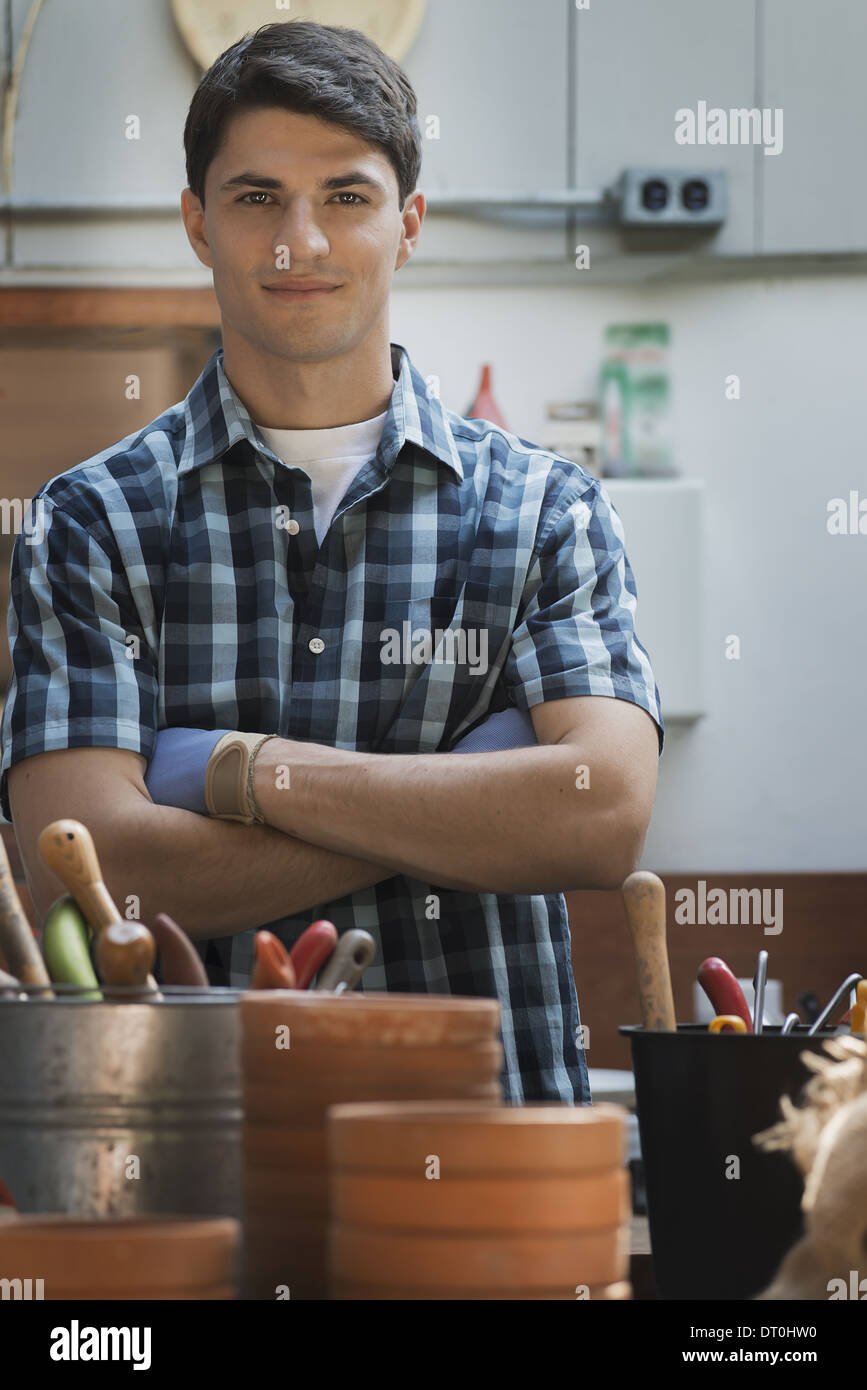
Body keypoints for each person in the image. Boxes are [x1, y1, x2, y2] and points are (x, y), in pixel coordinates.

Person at [0, 20, 662, 1103]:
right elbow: (94, 865)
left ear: (406, 226)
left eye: (345, 198)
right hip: (198, 1153)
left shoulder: (547, 508)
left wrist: (244, 773)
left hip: (492, 1155)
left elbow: (599, 813)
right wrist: (469, 801)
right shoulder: (92, 519)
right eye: (256, 197)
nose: (298, 240)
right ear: (197, 223)